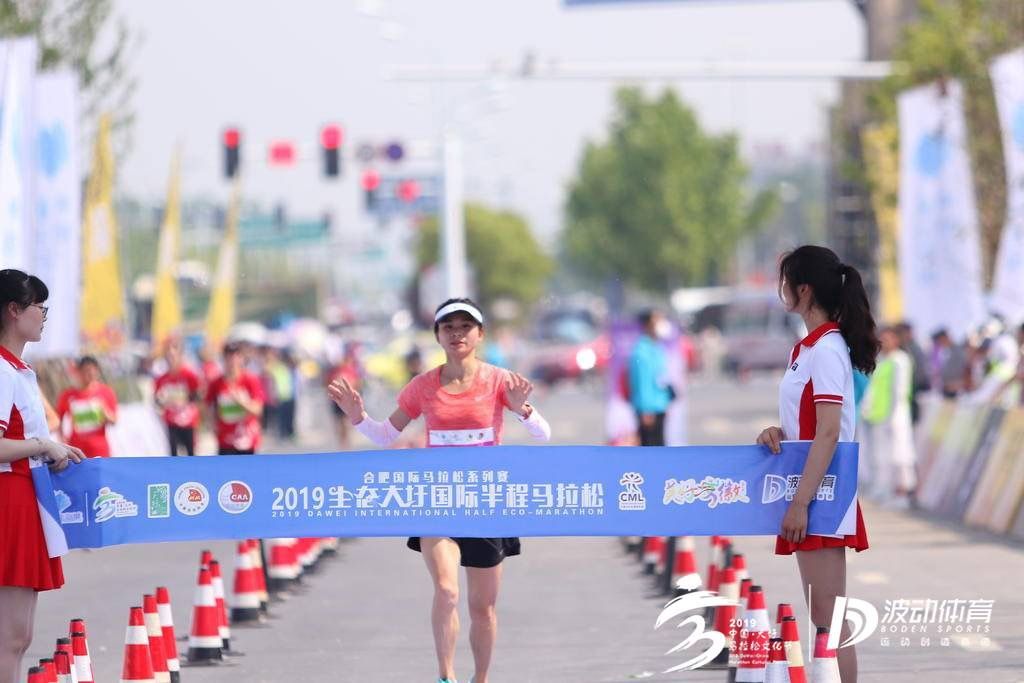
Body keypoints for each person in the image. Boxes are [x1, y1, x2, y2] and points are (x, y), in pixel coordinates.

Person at [328, 298, 551, 683]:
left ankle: (479, 678)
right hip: (439, 502)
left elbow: (543, 435)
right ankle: (445, 676)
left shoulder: (499, 380)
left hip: (485, 504)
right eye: (449, 327)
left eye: (466, 326)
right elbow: (385, 435)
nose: (457, 333)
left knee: (483, 608)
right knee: (447, 592)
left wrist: (523, 410)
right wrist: (358, 417)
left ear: (480, 335)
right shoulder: (423, 386)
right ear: (437, 336)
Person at [755, 246, 878, 683]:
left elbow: (829, 431)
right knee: (823, 614)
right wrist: (778, 434)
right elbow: (807, 425)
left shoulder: (827, 348)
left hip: (821, 493)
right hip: (808, 486)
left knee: (829, 618)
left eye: (785, 281)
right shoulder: (805, 349)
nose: (782, 289)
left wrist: (801, 503)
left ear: (803, 290)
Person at [0, 269, 84, 683]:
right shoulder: (0, 370)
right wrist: (41, 446)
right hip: (8, 501)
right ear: (14, 311)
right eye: (39, 306)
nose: (44, 315)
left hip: (25, 496)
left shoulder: (18, 369)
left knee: (18, 636)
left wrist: (53, 449)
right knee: (9, 637)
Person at [860, 326, 916, 508]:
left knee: (899, 455)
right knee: (880, 455)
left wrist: (894, 415)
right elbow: (873, 388)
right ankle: (883, 488)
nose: (884, 343)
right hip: (878, 415)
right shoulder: (881, 360)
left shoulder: (900, 360)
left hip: (895, 415)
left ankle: (902, 493)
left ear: (896, 340)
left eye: (888, 339)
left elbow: (900, 390)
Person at [205, 341, 265, 455]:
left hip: (247, 440)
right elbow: (207, 406)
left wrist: (241, 402)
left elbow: (258, 410)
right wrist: (211, 423)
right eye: (228, 356)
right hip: (225, 441)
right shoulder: (216, 383)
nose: (232, 360)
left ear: (242, 358)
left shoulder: (251, 381)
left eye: (236, 356)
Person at [55, 356, 118, 458]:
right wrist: (62, 439)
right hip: (76, 452)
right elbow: (58, 420)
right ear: (79, 372)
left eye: (93, 370)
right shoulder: (67, 395)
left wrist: (103, 410)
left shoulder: (106, 392)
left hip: (100, 451)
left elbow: (114, 421)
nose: (91, 374)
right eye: (87, 370)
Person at [628, 310, 673, 446]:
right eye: (657, 320)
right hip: (648, 410)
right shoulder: (641, 351)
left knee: (660, 445)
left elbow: (661, 378)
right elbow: (642, 383)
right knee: (650, 448)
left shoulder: (656, 348)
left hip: (659, 406)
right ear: (648, 325)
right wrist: (646, 410)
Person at [154, 341, 202, 456]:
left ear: (180, 357)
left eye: (174, 356)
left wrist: (183, 398)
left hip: (188, 421)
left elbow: (198, 396)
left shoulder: (189, 376)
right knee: (173, 454)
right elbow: (157, 400)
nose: (171, 360)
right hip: (171, 422)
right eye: (169, 357)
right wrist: (163, 401)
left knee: (190, 453)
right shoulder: (161, 379)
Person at [326, 343, 364, 449]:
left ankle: (346, 441)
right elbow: (327, 383)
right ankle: (342, 441)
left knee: (345, 421)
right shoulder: (334, 370)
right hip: (336, 399)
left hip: (348, 399)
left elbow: (357, 383)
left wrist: (355, 394)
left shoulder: (351, 370)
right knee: (339, 421)